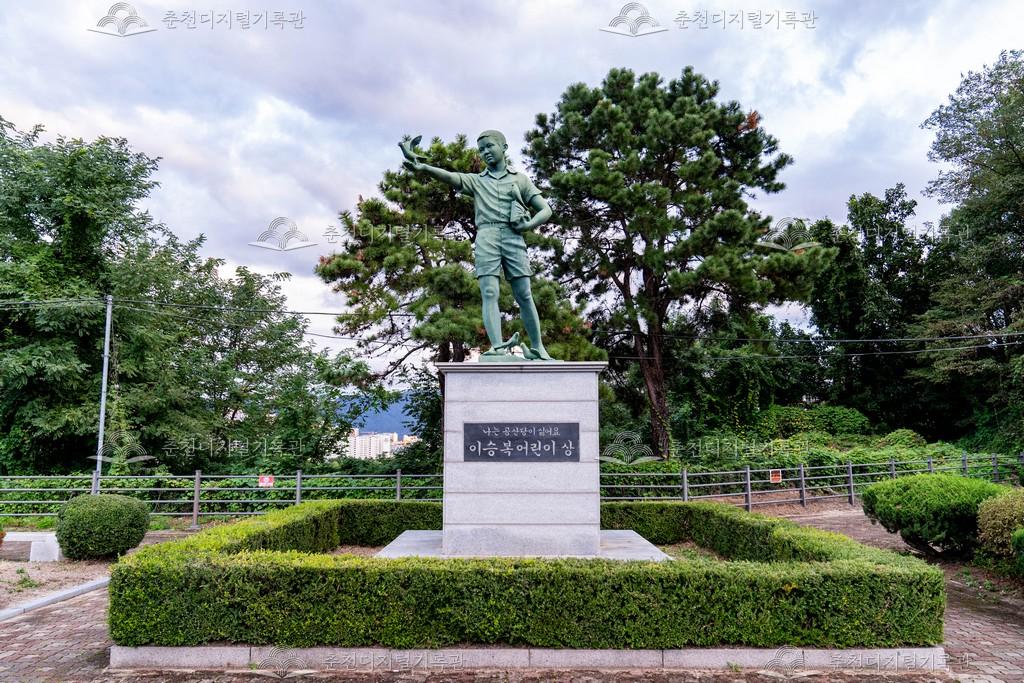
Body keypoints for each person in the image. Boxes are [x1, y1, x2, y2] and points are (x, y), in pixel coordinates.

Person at [399, 130, 556, 360]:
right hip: (486, 236)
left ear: (504, 147)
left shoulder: (520, 179)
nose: (485, 152)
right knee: (489, 291)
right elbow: (451, 177)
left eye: (490, 146)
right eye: (481, 149)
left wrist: (528, 225)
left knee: (524, 293)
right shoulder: (477, 181)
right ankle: (497, 347)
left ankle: (538, 348)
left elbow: (545, 209)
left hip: (514, 237)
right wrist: (424, 168)